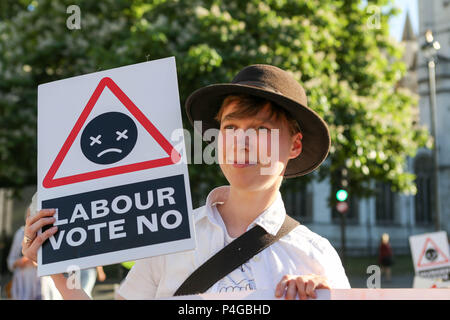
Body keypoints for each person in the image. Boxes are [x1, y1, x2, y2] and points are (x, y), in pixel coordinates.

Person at [22, 64, 350, 300]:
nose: (241, 143)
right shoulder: (171, 235)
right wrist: (56, 266)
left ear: (294, 145)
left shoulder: (316, 257)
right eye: (231, 129)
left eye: (262, 130)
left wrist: (326, 297)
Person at [7, 210, 41, 300]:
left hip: (41, 286)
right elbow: (11, 262)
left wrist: (36, 262)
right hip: (22, 287)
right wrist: (21, 261)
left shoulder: (45, 232)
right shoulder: (21, 233)